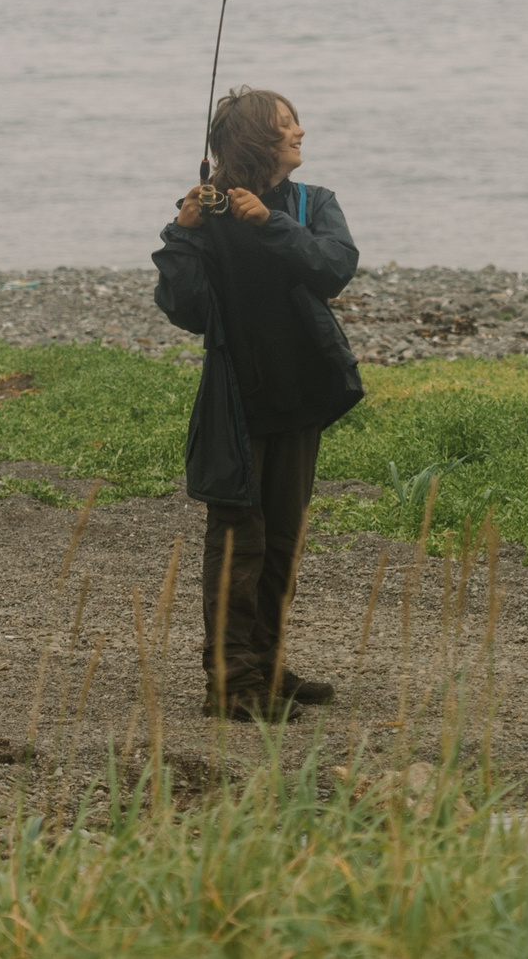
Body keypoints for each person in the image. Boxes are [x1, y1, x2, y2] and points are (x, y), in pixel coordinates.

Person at [152, 86, 364, 718]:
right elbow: (186, 309)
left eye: (296, 122)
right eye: (286, 124)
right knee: (239, 541)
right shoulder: (208, 212)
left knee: (283, 541)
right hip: (236, 403)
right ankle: (233, 684)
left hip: (300, 396)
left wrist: (271, 224)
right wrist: (182, 234)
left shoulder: (311, 203)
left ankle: (265, 668)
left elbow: (334, 268)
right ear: (256, 140)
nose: (300, 131)